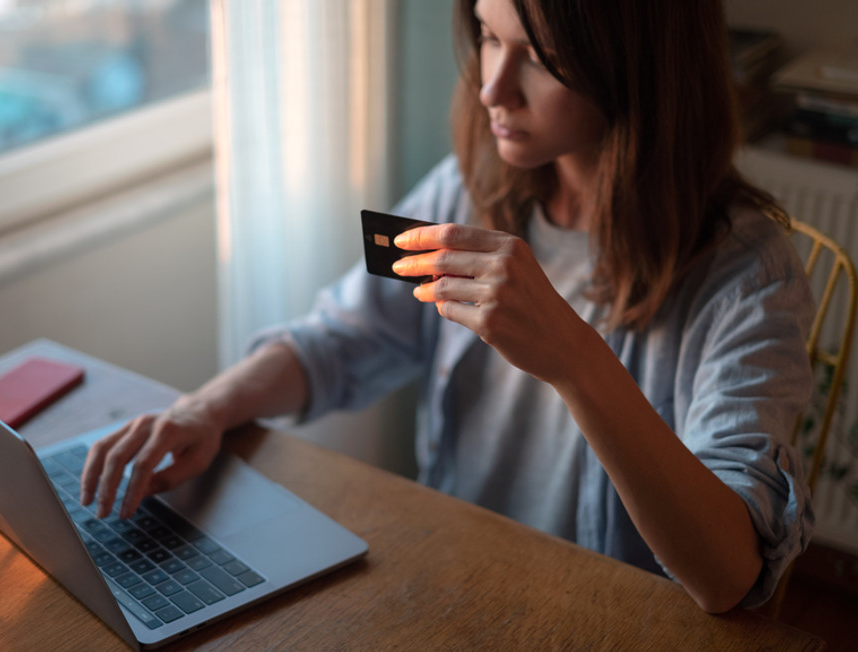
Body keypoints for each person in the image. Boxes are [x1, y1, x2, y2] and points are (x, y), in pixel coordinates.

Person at [80, 0, 815, 613]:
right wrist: (205, 409)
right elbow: (341, 336)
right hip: (462, 585)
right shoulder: (469, 190)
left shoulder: (750, 276)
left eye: (540, 55)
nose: (494, 88)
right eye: (490, 37)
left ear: (641, 66)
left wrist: (577, 361)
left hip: (605, 616)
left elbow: (730, 574)